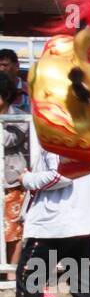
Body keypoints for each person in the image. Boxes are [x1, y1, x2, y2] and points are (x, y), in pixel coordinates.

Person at [1, 123, 90, 297]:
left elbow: (62, 175)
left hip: (56, 223)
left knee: (29, 280)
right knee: (82, 284)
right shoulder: (87, 130)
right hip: (80, 222)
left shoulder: (62, 133)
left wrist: (28, 179)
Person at [2, 75, 30, 267]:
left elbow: (6, 140)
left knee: (13, 232)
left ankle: (12, 274)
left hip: (11, 184)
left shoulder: (19, 117)